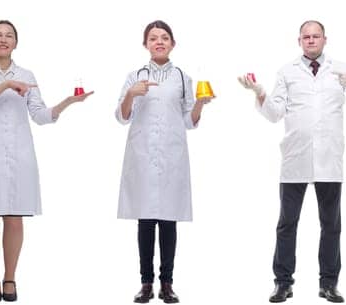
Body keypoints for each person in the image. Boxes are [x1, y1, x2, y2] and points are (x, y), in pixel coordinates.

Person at [241, 20, 346, 304]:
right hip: (295, 159)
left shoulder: (340, 69)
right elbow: (275, 113)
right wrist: (260, 92)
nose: (311, 40)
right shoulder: (287, 72)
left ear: (325, 39)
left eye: (316, 36)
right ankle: (282, 283)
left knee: (331, 224)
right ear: (299, 40)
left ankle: (328, 284)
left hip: (329, 159)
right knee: (287, 223)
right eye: (306, 37)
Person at [0, 20, 89, 303]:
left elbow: (41, 115)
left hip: (19, 154)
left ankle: (11, 277)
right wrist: (5, 84)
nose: (3, 39)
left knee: (15, 217)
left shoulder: (28, 75)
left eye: (9, 36)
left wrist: (65, 103)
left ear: (16, 43)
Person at [115, 20, 213, 304]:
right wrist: (131, 95)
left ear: (172, 43)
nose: (159, 42)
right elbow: (121, 117)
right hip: (143, 156)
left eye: (164, 38)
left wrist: (199, 105)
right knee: (145, 220)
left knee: (169, 221)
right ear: (145, 44)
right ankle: (146, 283)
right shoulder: (134, 76)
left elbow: (189, 122)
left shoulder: (183, 78)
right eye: (153, 38)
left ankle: (167, 283)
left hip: (172, 157)